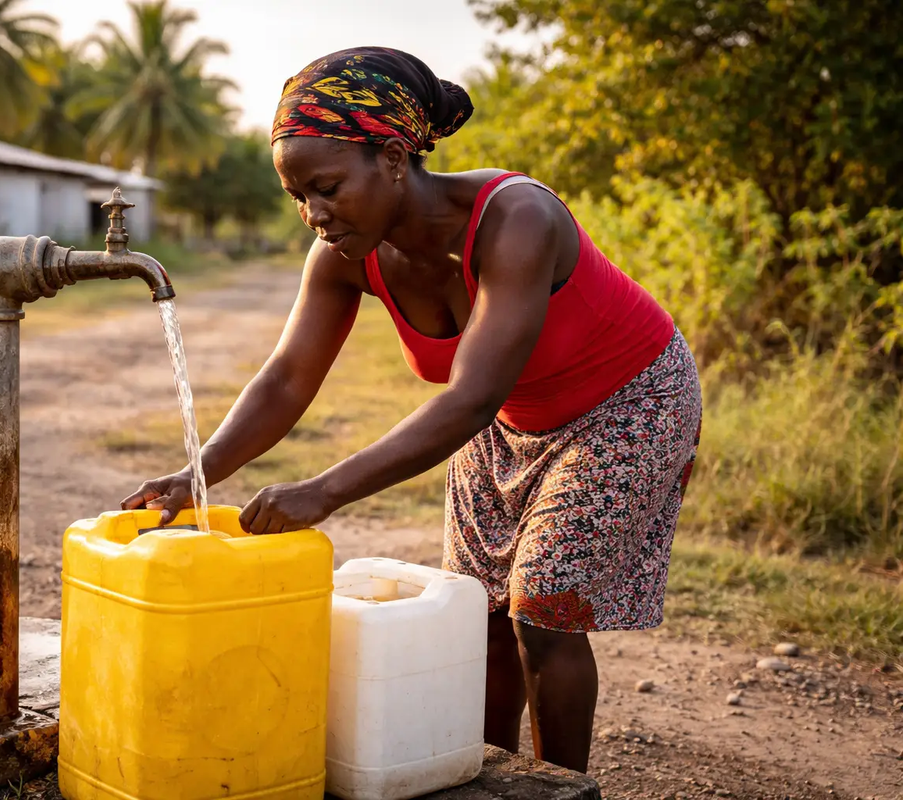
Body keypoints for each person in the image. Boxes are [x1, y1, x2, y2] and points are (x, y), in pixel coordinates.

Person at [122, 46, 703, 774]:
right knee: (480, 615)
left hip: (626, 404)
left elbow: (469, 396)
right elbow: (287, 379)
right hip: (508, 421)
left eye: (327, 187)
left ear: (394, 158)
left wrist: (324, 490)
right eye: (298, 196)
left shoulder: (517, 218)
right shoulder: (343, 256)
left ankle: (559, 790)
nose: (314, 214)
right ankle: (490, 778)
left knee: (542, 605)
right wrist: (196, 473)